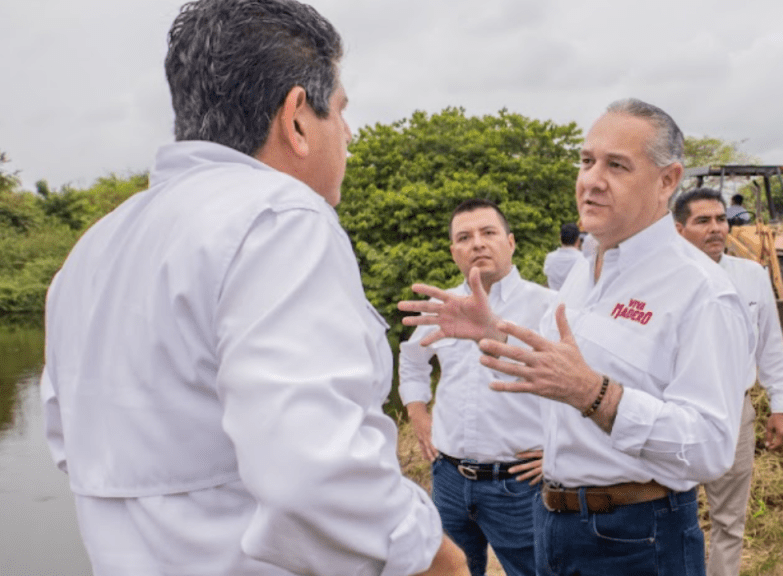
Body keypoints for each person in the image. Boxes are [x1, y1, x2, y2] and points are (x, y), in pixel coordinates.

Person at [39, 1, 467, 574]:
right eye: (339, 111)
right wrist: (436, 558)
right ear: (295, 118)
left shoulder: (94, 248)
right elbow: (313, 472)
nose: (347, 132)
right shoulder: (280, 217)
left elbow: (67, 442)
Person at [399, 98, 755, 575]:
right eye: (587, 161)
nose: (591, 179)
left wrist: (596, 395)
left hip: (637, 534)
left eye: (617, 165)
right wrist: (491, 333)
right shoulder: (586, 272)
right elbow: (562, 373)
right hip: (555, 521)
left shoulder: (701, 292)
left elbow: (711, 447)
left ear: (667, 180)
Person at [399, 198, 555, 576]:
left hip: (519, 484)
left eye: (488, 233)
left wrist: (562, 450)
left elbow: (578, 383)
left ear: (511, 242)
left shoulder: (548, 306)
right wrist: (418, 415)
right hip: (449, 479)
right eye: (464, 237)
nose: (478, 244)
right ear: (454, 252)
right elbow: (412, 362)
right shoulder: (442, 306)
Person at [673, 187, 783, 576]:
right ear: (679, 229)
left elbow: (770, 343)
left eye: (720, 219)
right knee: (674, 514)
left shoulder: (751, 275)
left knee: (729, 521)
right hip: (676, 413)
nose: (715, 228)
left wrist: (781, 405)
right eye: (702, 221)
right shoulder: (664, 281)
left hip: (734, 412)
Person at [542, 222, 586, 290]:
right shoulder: (583, 259)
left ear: (560, 237)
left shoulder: (550, 258)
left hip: (554, 299)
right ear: (578, 240)